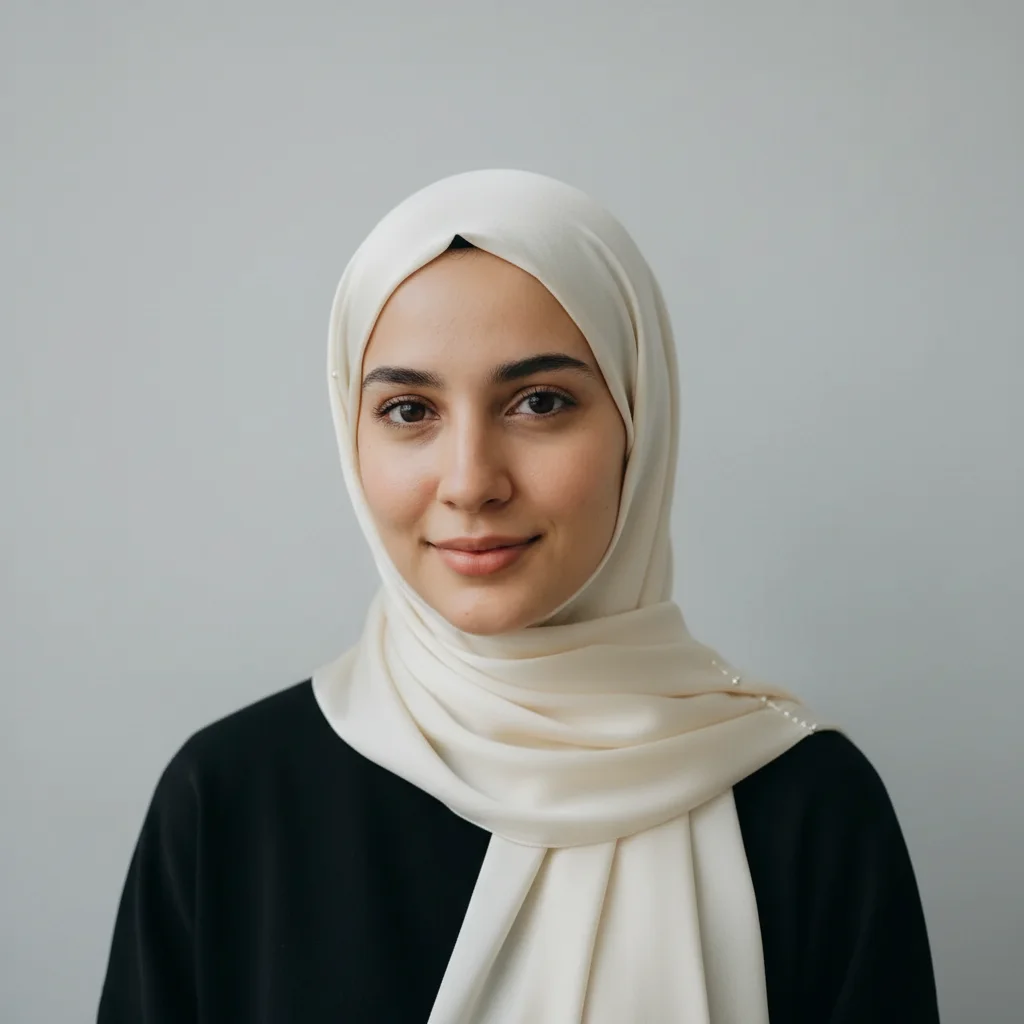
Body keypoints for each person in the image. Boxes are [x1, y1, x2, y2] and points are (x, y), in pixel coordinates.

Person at [98, 170, 940, 1023]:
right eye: (408, 410)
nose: (470, 481)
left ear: (638, 427)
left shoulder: (810, 812)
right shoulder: (229, 803)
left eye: (539, 402)